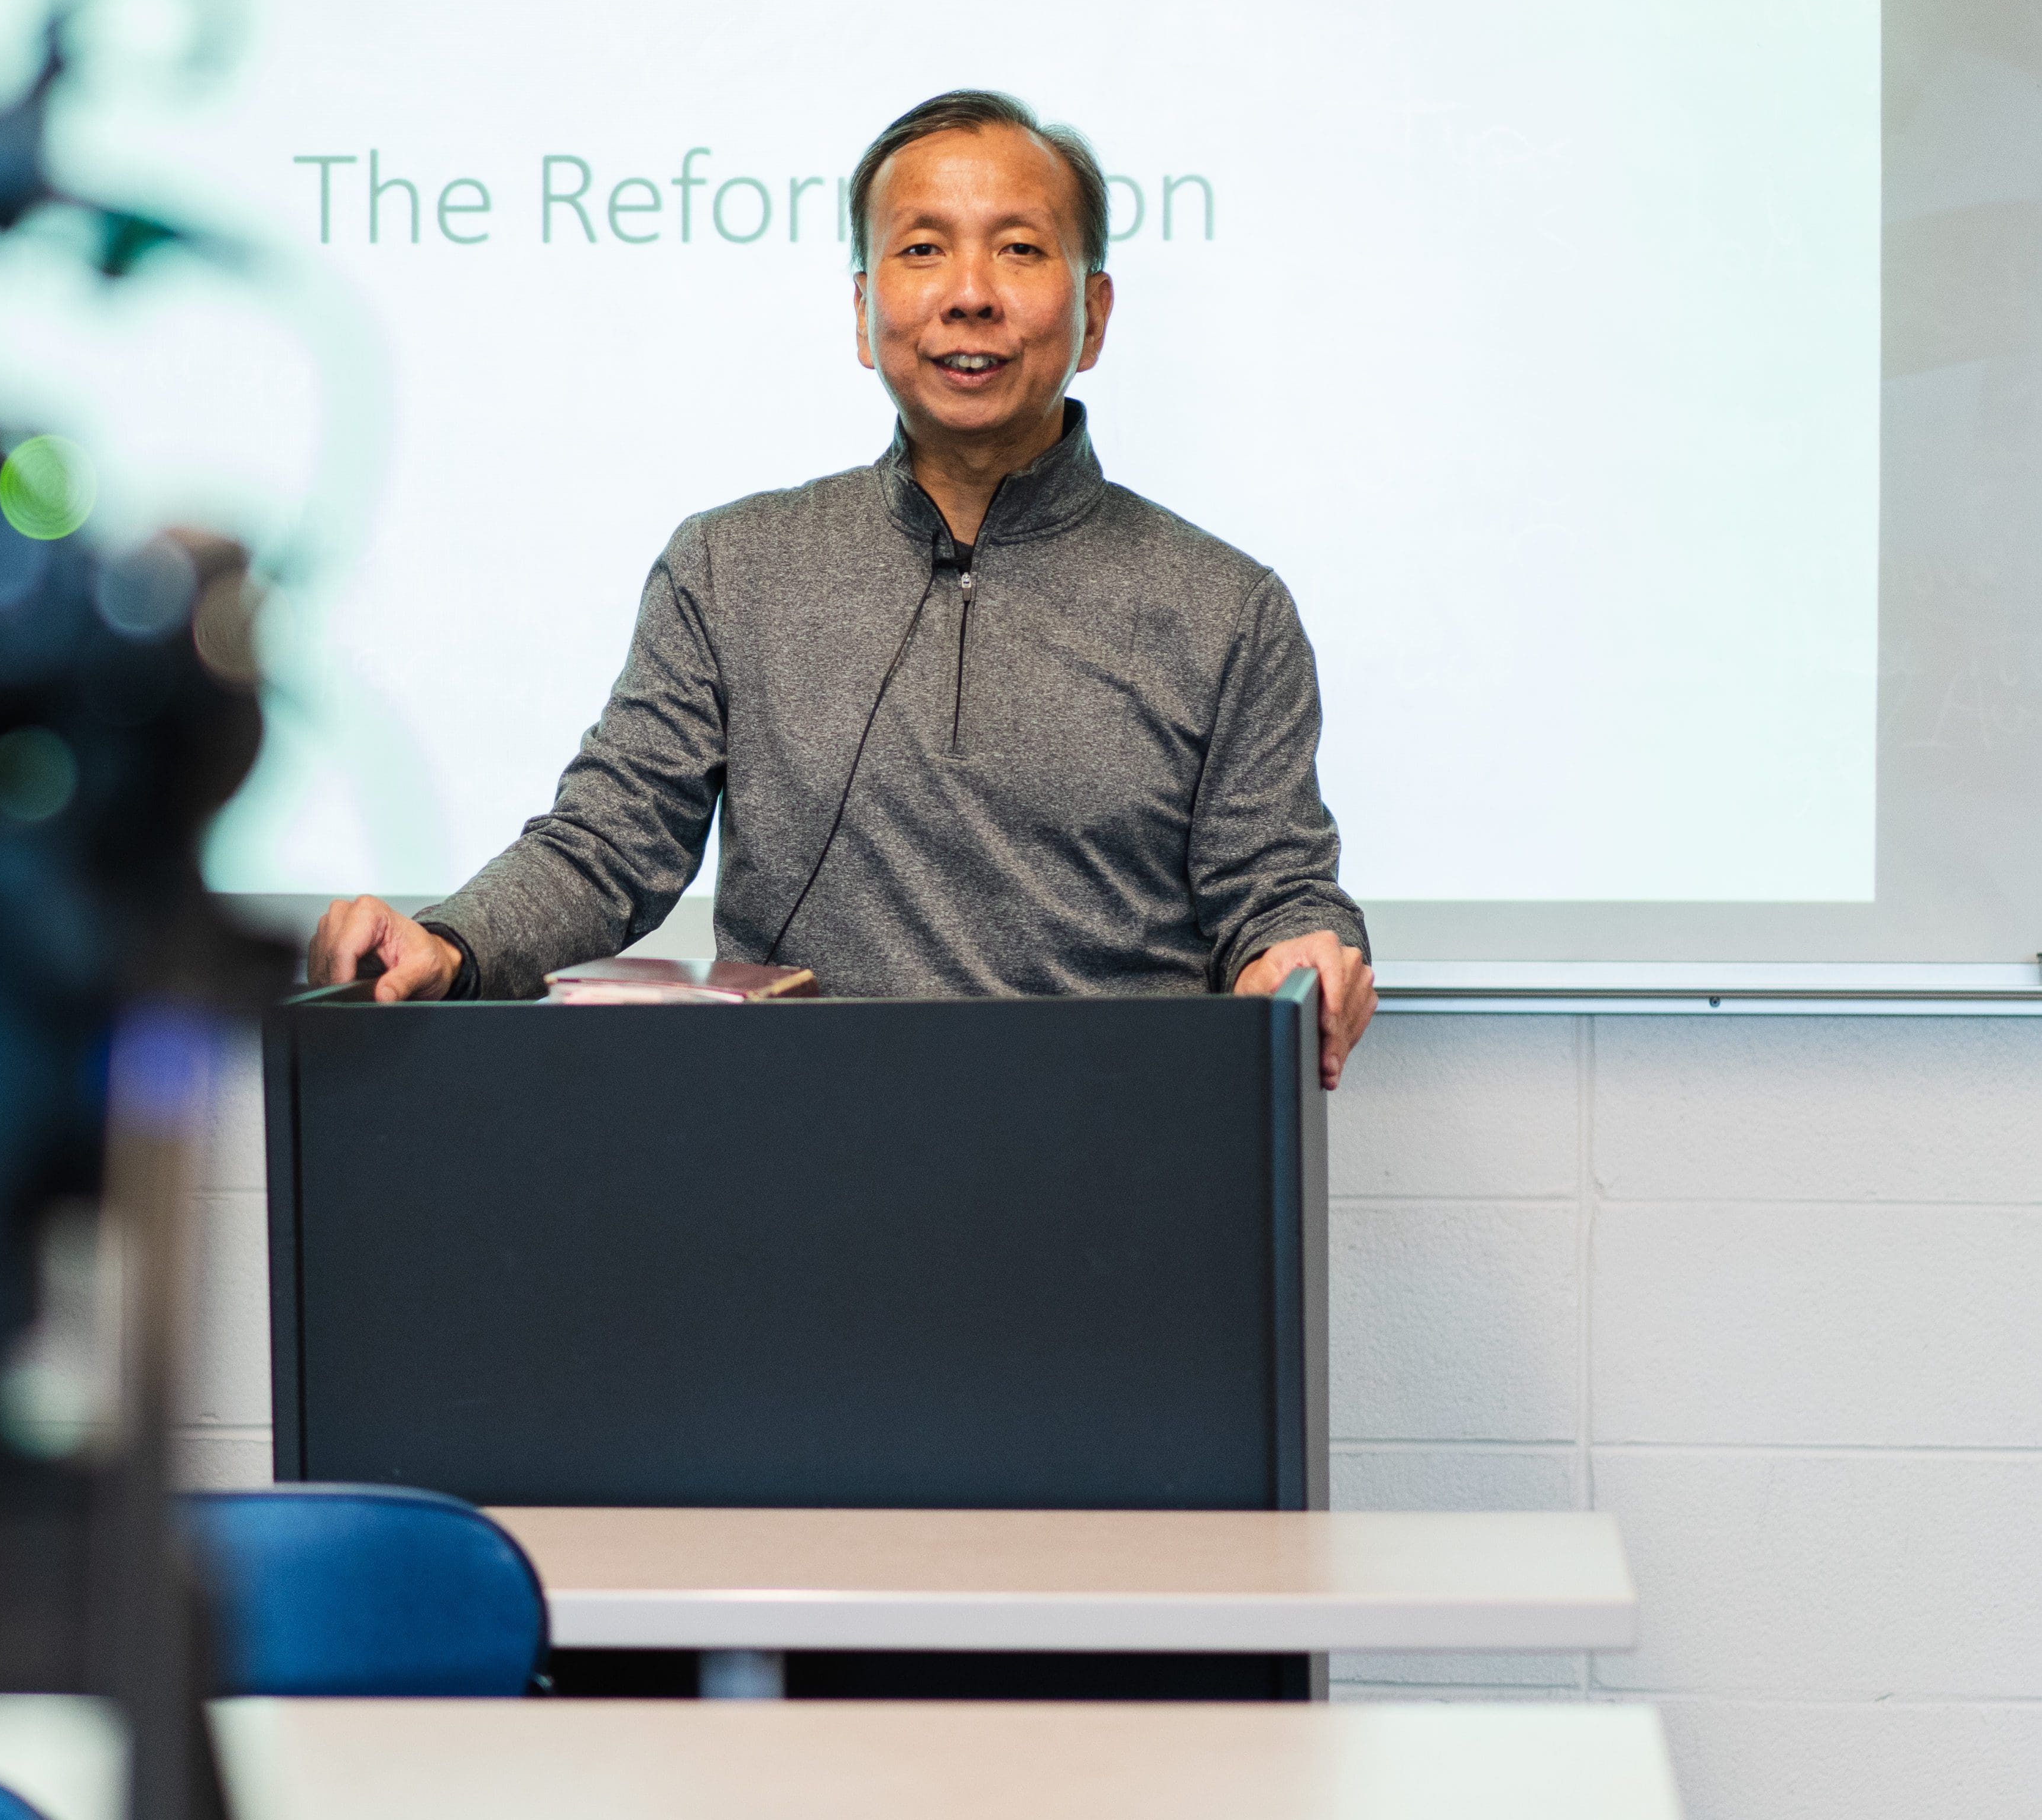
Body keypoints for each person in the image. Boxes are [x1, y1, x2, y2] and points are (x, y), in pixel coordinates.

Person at [308, 87, 1377, 1086]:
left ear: (1093, 316)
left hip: (1117, 1149)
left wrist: (1303, 957)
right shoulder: (730, 568)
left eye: (1017, 249)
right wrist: (449, 943)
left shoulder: (1225, 606)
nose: (968, 296)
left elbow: (1276, 892)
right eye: (922, 252)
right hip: (796, 1149)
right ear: (864, 312)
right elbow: (607, 846)